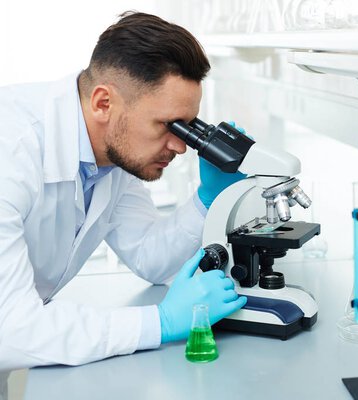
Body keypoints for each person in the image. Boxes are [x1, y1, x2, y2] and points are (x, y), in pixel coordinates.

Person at [0, 10, 247, 385]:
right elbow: (12, 329)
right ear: (103, 103)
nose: (181, 146)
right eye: (168, 125)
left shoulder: (111, 156)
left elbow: (150, 257)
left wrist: (209, 199)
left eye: (189, 127)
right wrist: (159, 323)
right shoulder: (11, 151)